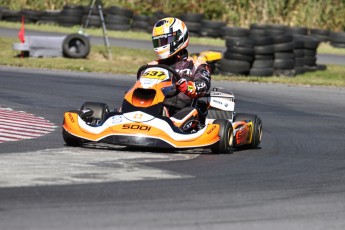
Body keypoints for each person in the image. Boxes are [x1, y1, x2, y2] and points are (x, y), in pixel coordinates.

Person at [148, 17, 211, 121]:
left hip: (183, 115)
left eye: (165, 40)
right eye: (159, 42)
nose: (161, 45)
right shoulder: (152, 66)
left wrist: (188, 87)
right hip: (154, 109)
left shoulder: (197, 65)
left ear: (178, 38)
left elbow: (203, 86)